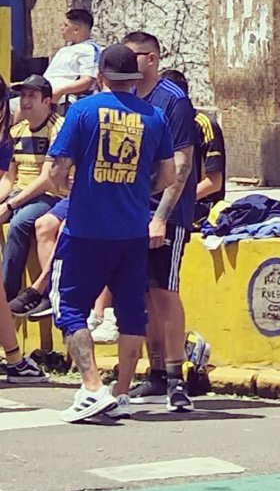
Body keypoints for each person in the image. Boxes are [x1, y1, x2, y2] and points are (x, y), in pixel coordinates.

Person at [48, 44, 176, 422]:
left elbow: (57, 169)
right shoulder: (155, 117)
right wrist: (136, 192)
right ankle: (121, 391)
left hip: (86, 230)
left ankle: (92, 387)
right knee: (131, 313)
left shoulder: (83, 111)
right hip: (132, 231)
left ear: (101, 76)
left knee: (69, 306)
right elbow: (168, 177)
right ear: (135, 79)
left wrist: (71, 189)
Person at [122, 32, 198, 410]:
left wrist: (160, 217)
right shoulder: (130, 99)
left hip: (165, 213)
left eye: (132, 56)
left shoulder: (173, 101)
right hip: (133, 209)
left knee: (166, 293)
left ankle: (175, 378)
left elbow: (181, 166)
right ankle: (153, 373)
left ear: (151, 58)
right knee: (145, 292)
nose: (125, 62)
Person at [0, 76, 69, 313]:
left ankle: (6, 296)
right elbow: (9, 178)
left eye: (32, 96)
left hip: (49, 196)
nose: (25, 101)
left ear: (47, 100)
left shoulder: (58, 127)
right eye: (23, 95)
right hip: (21, 193)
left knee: (19, 223)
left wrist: (9, 207)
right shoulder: (16, 130)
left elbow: (48, 179)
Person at [0, 76, 46, 383]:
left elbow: (8, 177)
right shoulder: (12, 133)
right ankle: (15, 360)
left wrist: (6, 202)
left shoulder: (8, 136)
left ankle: (15, 360)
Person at [160, 69, 227, 226]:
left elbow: (214, 182)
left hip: (201, 206)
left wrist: (174, 200)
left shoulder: (204, 124)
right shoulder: (162, 122)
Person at [42, 9, 100, 107]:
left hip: (61, 100)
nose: (61, 28)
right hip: (42, 94)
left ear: (76, 29)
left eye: (65, 25)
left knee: (14, 108)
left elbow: (87, 81)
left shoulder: (88, 49)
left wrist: (61, 91)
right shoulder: (64, 50)